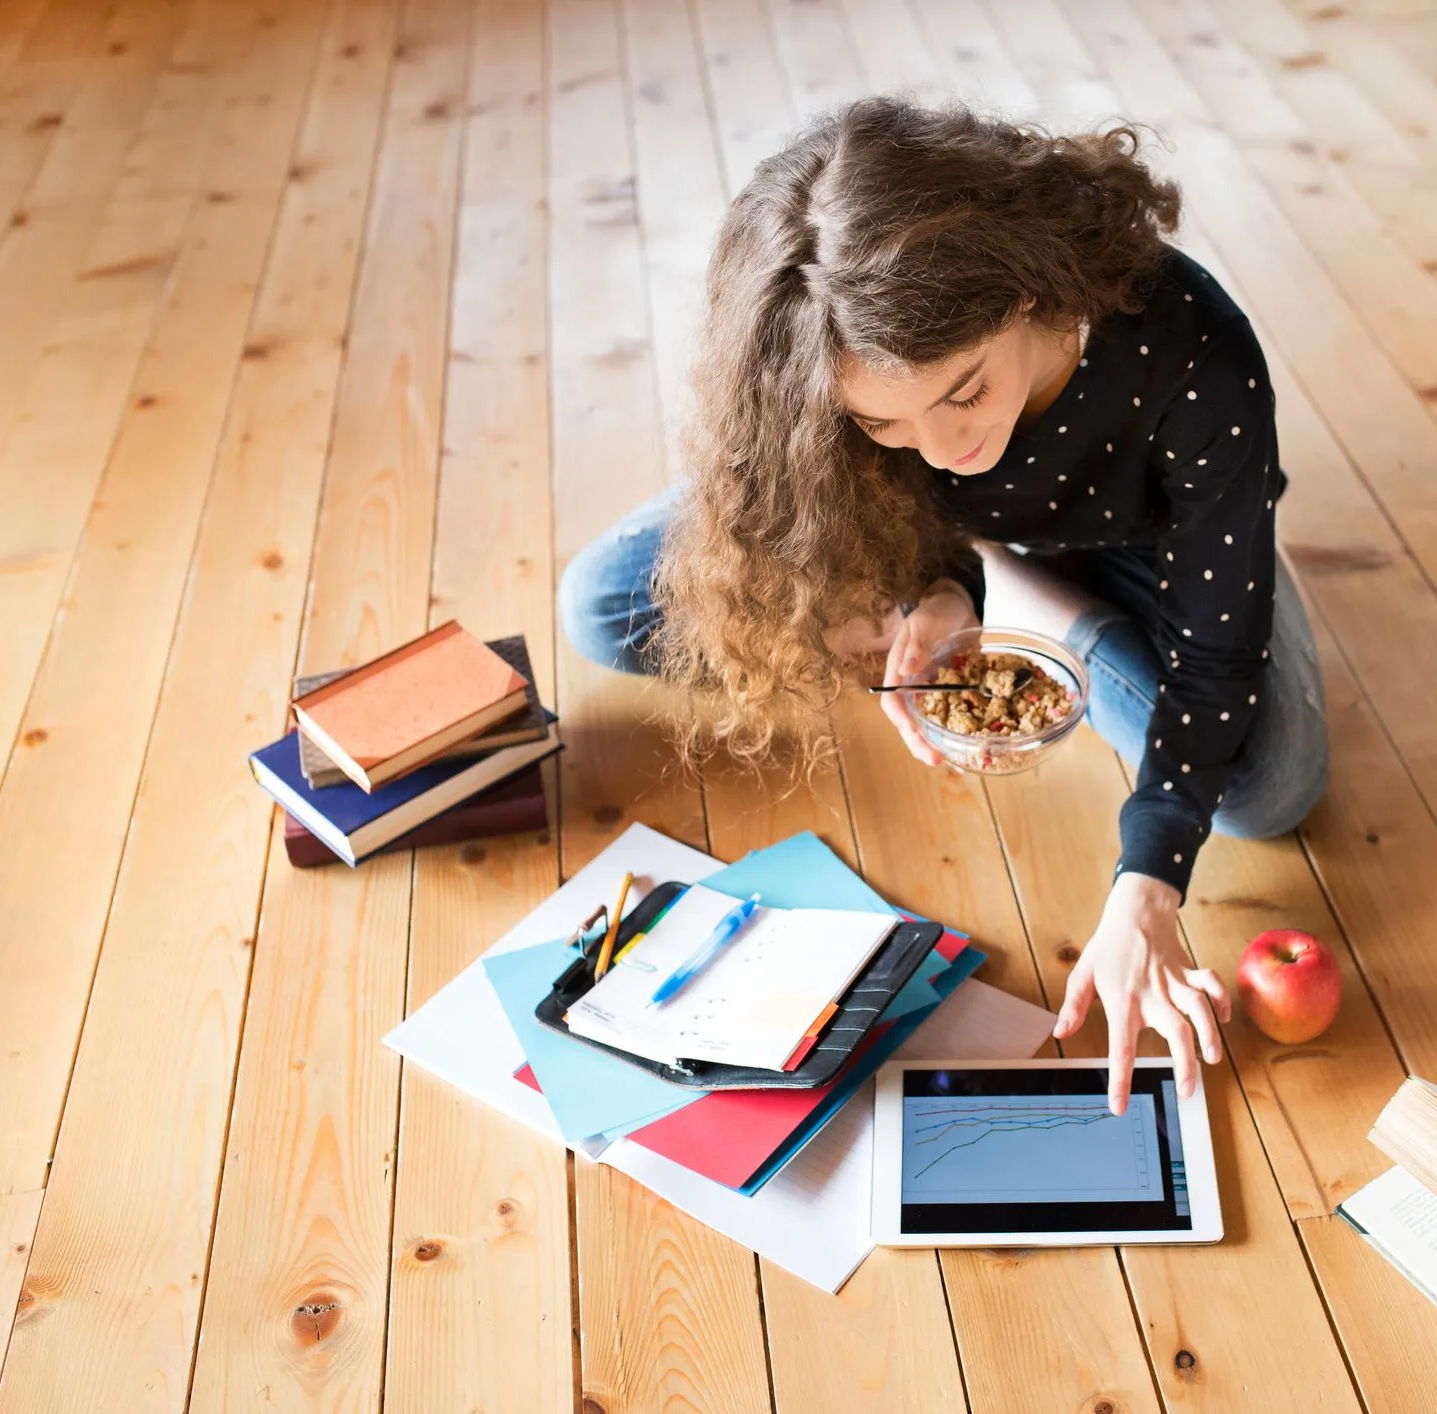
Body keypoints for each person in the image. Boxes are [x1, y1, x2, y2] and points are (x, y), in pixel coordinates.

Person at [560, 98, 1327, 1113]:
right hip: (940, 537)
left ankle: (1047, 602)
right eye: (880, 418)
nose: (940, 446)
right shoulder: (846, 392)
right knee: (606, 607)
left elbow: (1216, 667)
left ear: (1031, 291)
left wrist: (1146, 884)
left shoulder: (1196, 353)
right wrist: (924, 580)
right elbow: (894, 488)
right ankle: (995, 573)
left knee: (1264, 788)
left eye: (963, 391)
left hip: (1146, 541)